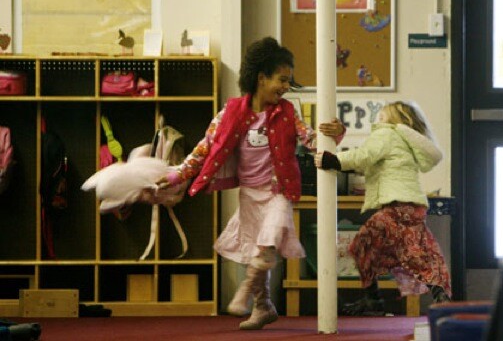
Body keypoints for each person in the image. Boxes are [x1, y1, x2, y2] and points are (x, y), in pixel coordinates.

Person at [158, 36, 345, 330]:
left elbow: (310, 139)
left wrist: (335, 133)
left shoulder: (286, 112)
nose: (286, 87)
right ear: (261, 77)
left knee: (267, 244)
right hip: (249, 195)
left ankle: (245, 291)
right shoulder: (230, 113)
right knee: (251, 251)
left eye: (288, 81)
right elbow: (204, 147)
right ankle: (263, 306)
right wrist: (176, 174)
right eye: (281, 80)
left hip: (278, 192)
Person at [314, 100, 451, 316]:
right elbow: (374, 163)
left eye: (382, 115)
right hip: (412, 206)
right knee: (419, 253)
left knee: (362, 246)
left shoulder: (386, 133)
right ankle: (440, 296)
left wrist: (334, 161)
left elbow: (363, 157)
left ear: (393, 119)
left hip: (396, 206)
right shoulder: (405, 141)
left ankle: (373, 299)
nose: (378, 118)